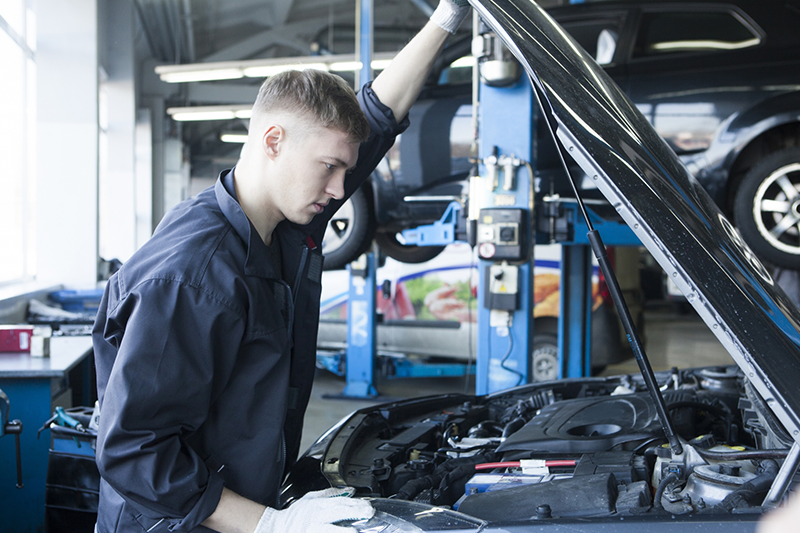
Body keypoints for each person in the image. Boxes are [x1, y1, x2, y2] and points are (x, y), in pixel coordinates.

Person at [91, 1, 471, 532]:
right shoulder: (193, 278)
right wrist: (271, 525)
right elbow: (133, 452)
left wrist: (447, 18)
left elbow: (378, 115)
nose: (342, 189)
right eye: (330, 168)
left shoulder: (284, 221)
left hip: (242, 498)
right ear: (273, 141)